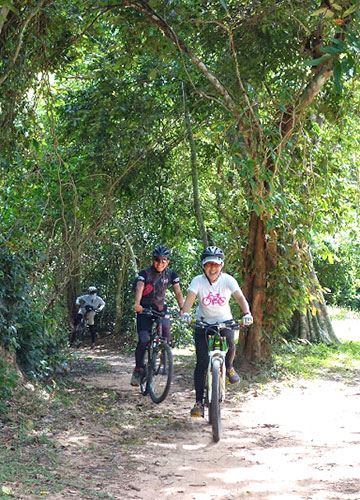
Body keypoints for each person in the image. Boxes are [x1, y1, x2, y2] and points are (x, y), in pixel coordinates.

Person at [181, 246, 253, 417]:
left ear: (221, 265)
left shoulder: (228, 280)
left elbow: (240, 298)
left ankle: (228, 367)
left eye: (216, 264)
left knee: (230, 345)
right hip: (203, 323)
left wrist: (247, 313)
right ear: (203, 266)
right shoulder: (197, 281)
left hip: (224, 322)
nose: (212, 268)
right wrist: (185, 313)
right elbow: (189, 300)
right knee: (201, 362)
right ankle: (198, 402)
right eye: (208, 264)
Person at [131, 245, 184, 386]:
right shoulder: (145, 273)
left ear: (168, 262)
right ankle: (138, 369)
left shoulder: (172, 275)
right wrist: (137, 304)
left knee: (166, 330)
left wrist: (183, 308)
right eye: (157, 260)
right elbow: (139, 287)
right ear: (153, 260)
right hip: (145, 309)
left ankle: (163, 354)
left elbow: (178, 292)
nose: (160, 263)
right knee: (143, 340)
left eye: (164, 260)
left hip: (160, 309)